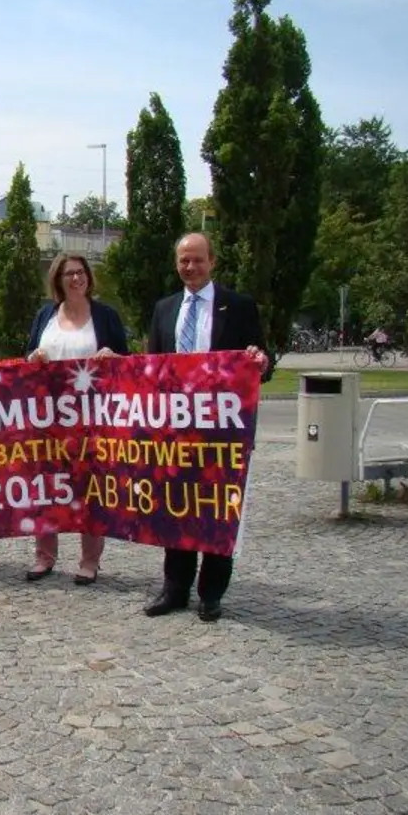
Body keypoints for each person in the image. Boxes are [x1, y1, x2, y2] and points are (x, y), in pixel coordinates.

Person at [143, 232, 270, 622]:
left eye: (197, 260)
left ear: (212, 261)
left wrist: (259, 361)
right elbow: (151, 368)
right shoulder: (164, 310)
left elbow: (263, 365)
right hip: (176, 430)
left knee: (219, 508)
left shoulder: (239, 306)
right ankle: (174, 589)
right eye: (184, 260)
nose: (190, 267)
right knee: (177, 508)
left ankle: (211, 593)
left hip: (223, 432)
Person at [24, 254, 131, 586]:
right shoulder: (45, 314)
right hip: (49, 420)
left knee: (91, 489)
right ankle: (44, 556)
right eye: (69, 273)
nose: (76, 278)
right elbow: (27, 360)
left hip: (93, 420)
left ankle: (89, 560)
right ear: (58, 279)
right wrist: (35, 358)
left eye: (81, 272)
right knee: (46, 488)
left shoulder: (106, 316)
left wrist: (112, 359)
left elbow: (129, 363)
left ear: (89, 277)